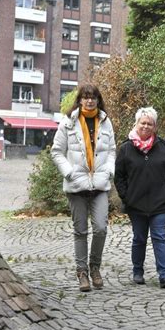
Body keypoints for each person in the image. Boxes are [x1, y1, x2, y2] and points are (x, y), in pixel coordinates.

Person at [51, 84, 116, 292]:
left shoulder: (105, 122)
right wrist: (69, 172)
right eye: (86, 97)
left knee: (101, 228)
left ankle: (95, 267)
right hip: (76, 184)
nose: (89, 101)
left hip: (100, 184)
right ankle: (82, 272)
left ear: (98, 100)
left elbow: (112, 151)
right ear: (79, 100)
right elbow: (57, 152)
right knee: (80, 230)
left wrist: (109, 171)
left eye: (93, 97)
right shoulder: (68, 122)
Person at [114, 107, 165, 288]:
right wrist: (126, 196)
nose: (146, 126)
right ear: (136, 124)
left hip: (160, 203)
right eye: (143, 123)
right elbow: (119, 176)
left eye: (150, 123)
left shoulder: (164, 147)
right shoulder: (126, 148)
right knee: (139, 238)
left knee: (159, 237)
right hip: (136, 203)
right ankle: (138, 271)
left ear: (155, 126)